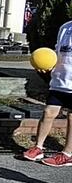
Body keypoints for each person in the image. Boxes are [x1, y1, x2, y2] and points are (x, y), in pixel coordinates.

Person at [23, 19, 72, 166]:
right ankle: (38, 148)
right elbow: (57, 52)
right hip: (59, 82)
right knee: (48, 112)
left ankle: (67, 154)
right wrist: (48, 65)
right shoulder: (65, 27)